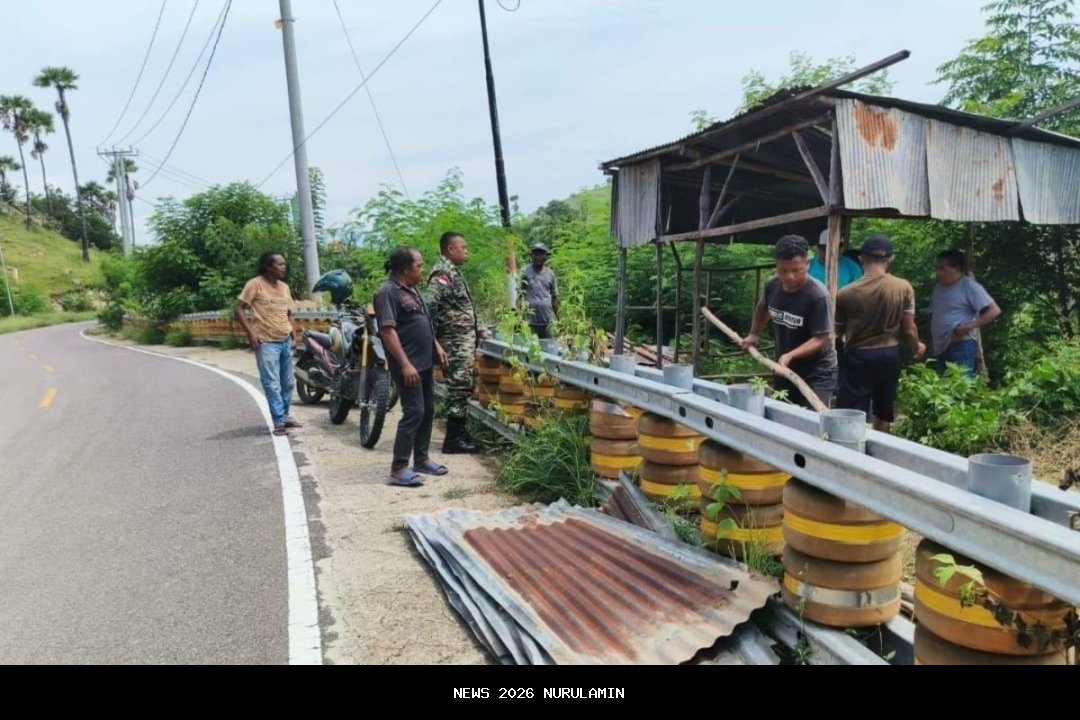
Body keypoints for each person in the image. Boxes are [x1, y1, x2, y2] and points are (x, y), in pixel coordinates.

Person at [835, 235, 926, 433]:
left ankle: (851, 446)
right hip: (889, 355)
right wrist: (917, 347)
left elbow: (838, 330)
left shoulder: (846, 293)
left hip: (858, 356)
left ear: (861, 259)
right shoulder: (903, 287)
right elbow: (909, 329)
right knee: (884, 411)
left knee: (851, 411)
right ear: (890, 259)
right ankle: (880, 448)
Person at [374, 247, 449, 487]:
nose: (422, 269)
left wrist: (436, 345)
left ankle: (422, 460)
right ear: (405, 269)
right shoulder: (388, 293)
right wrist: (405, 364)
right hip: (408, 366)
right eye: (419, 265)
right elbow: (388, 331)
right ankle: (398, 469)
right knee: (414, 412)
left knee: (428, 410)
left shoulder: (413, 289)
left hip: (424, 363)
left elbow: (423, 321)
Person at [742, 234, 838, 409]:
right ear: (777, 265)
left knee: (811, 417)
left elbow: (821, 338)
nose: (790, 276)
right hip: (785, 366)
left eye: (796, 270)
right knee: (782, 413)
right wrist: (754, 333)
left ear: (807, 264)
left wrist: (790, 355)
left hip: (817, 371)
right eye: (784, 270)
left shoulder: (818, 296)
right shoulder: (772, 286)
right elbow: (763, 306)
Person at [235, 251, 302, 437]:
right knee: (272, 384)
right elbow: (238, 308)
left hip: (285, 340)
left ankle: (286, 416)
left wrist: (294, 334)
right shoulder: (255, 284)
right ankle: (279, 421)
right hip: (266, 342)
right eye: (280, 264)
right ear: (268, 267)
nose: (283, 267)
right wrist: (251, 333)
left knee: (288, 383)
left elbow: (289, 313)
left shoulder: (284, 287)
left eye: (284, 264)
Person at [426, 231, 481, 454]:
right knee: (458, 386)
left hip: (460, 339)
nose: (466, 251)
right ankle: (453, 439)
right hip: (454, 341)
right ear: (450, 249)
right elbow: (430, 304)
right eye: (463, 247)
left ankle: (460, 432)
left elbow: (456, 307)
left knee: (463, 385)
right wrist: (434, 339)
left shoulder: (451, 271)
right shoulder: (443, 273)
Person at [929, 250, 1001, 378]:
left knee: (961, 384)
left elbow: (994, 310)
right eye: (937, 268)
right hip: (940, 347)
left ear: (956, 268)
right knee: (942, 386)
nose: (938, 272)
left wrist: (968, 327)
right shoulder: (938, 288)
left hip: (962, 346)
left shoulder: (968, 286)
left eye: (942, 268)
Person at [520, 242, 559, 338]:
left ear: (546, 257)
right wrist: (518, 318)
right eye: (535, 254)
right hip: (530, 322)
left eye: (541, 254)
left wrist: (559, 319)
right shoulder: (525, 271)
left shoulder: (550, 274)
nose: (538, 257)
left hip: (548, 321)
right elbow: (520, 295)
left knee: (551, 345)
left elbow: (554, 298)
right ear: (531, 256)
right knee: (530, 346)